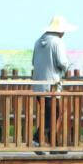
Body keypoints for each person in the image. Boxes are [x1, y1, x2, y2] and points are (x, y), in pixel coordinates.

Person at [31, 16, 75, 148]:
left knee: (50, 113)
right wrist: (67, 66)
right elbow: (62, 62)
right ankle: (37, 139)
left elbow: (33, 62)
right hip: (52, 85)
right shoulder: (58, 42)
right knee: (53, 114)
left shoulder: (38, 41)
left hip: (38, 85)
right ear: (61, 30)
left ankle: (53, 144)